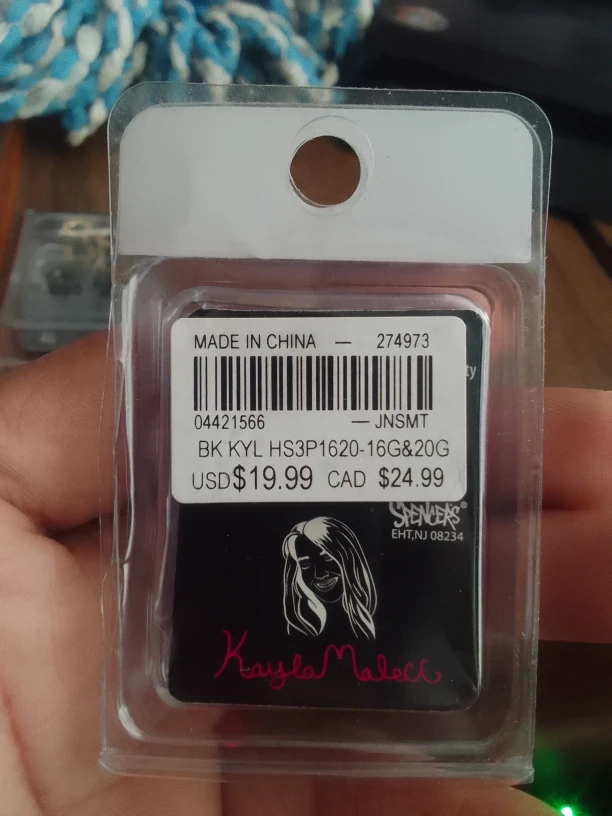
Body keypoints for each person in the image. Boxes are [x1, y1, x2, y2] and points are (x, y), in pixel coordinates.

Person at [0, 331, 610, 816]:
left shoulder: (408, 633)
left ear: (348, 556)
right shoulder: (251, 630)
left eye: (324, 555)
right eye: (301, 561)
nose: (314, 569)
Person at [282, 516, 377, 638]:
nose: (320, 574)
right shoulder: (300, 628)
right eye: (305, 565)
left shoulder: (374, 617)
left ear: (348, 557)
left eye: (328, 558)